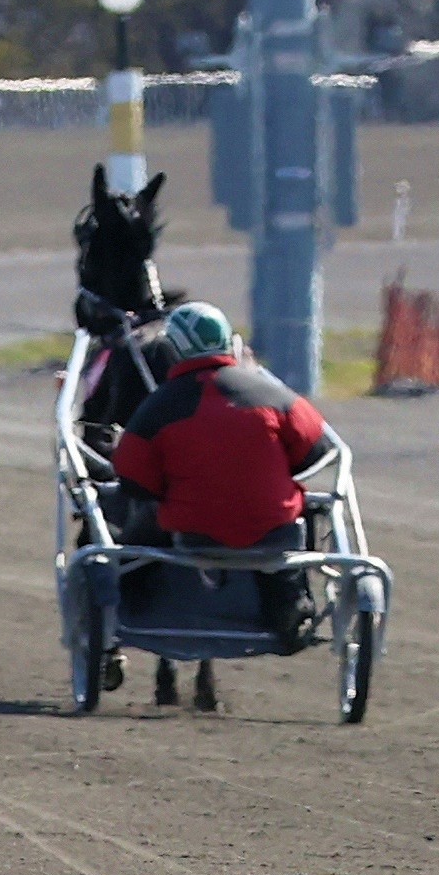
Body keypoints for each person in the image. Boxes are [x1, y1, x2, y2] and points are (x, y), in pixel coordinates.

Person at [110, 300, 334, 701]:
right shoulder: (272, 393)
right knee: (299, 514)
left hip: (192, 538)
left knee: (135, 533)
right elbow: (314, 450)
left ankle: (131, 604)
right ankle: (290, 600)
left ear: (175, 350)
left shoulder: (160, 406)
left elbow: (132, 476)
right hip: (274, 535)